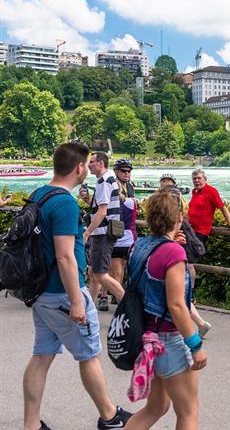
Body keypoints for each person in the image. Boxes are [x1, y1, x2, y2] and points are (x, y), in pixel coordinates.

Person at [22, 143, 132, 430]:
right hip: (62, 293)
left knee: (41, 356)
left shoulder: (39, 195)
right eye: (86, 164)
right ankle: (110, 417)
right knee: (90, 355)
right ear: (79, 167)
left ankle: (31, 424)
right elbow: (64, 256)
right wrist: (76, 301)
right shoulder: (65, 203)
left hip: (41, 291)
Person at [124, 189, 207, 430]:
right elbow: (177, 305)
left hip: (147, 336)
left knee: (156, 407)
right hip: (169, 339)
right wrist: (195, 345)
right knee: (188, 411)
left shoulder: (140, 245)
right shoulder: (173, 252)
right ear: (179, 217)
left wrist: (171, 244)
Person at [160, 174, 212, 337]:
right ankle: (200, 324)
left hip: (174, 253)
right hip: (176, 250)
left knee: (176, 295)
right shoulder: (180, 207)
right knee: (177, 294)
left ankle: (193, 330)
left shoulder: (171, 217)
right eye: (164, 183)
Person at [84, 152, 125, 311]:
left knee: (100, 274)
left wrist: (87, 232)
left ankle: (129, 305)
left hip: (102, 233)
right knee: (95, 273)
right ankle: (89, 309)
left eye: (91, 162)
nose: (89, 165)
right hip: (106, 232)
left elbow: (102, 212)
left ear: (101, 163)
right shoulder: (109, 179)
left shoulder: (104, 181)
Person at [109, 158, 137, 304]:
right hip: (115, 228)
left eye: (129, 171)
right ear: (116, 171)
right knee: (116, 265)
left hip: (128, 229)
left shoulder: (130, 186)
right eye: (123, 171)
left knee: (124, 264)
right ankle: (115, 295)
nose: (126, 173)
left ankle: (116, 293)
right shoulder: (112, 186)